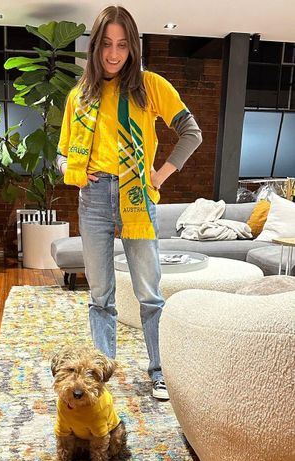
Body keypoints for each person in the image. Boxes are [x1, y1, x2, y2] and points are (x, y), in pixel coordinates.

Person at [57, 5, 202, 399]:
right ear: (94, 47)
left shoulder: (149, 85)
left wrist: (160, 174)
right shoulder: (79, 95)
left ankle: (159, 372)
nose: (114, 54)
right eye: (106, 44)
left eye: (122, 45)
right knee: (100, 296)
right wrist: (74, 172)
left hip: (137, 194)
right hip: (94, 198)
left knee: (149, 293)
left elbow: (191, 132)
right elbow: (62, 154)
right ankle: (100, 381)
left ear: (133, 47)